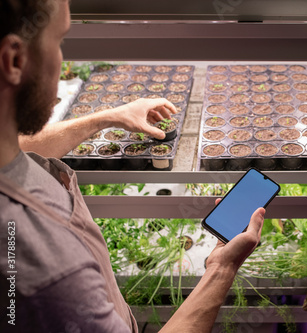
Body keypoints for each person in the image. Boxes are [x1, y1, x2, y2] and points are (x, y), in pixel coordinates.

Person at [0, 1, 265, 332]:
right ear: (14, 60)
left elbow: (22, 147)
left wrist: (107, 117)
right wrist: (222, 268)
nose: (63, 61)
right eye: (59, 40)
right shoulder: (52, 272)